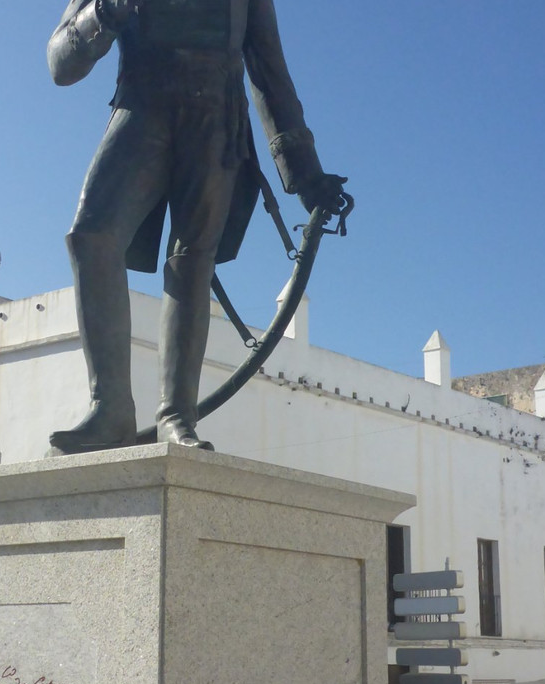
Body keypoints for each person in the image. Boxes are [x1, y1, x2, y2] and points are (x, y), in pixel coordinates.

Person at [47, 0, 346, 454]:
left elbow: (269, 70)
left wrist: (305, 174)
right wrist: (103, 13)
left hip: (216, 116)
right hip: (141, 104)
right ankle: (110, 410)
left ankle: (176, 416)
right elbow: (60, 64)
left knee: (191, 260)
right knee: (92, 236)